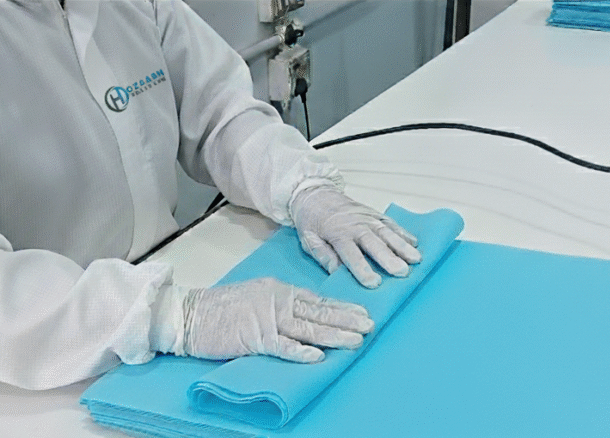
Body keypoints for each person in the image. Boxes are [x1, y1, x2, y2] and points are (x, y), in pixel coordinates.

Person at [0, 0, 421, 390]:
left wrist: (303, 187)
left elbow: (219, 112)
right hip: (45, 357)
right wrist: (174, 318)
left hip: (168, 275)